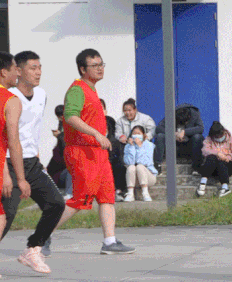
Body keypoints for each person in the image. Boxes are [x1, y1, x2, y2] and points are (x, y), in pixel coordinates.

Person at [50, 49, 135, 254]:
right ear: (82, 69)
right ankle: (42, 235)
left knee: (107, 196)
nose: (100, 69)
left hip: (98, 153)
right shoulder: (77, 90)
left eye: (101, 64)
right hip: (83, 152)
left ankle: (110, 242)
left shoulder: (92, 90)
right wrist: (96, 134)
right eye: (94, 65)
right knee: (80, 199)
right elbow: (70, 116)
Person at [1, 51, 64, 273]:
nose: (38, 72)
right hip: (9, 163)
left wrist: (37, 156)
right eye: (32, 68)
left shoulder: (41, 95)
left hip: (31, 162)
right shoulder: (9, 96)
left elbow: (32, 129)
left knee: (56, 203)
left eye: (39, 67)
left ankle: (33, 249)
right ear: (18, 71)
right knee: (6, 216)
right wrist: (13, 176)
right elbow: (10, 138)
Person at [0, 53, 33, 276]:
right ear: (4, 72)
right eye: (15, 69)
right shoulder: (10, 100)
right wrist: (20, 178)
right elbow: (13, 141)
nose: (18, 73)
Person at [154, 103, 204, 169]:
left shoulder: (194, 114)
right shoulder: (172, 115)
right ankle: (157, 165)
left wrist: (184, 132)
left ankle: (196, 167)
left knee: (197, 137)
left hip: (189, 145)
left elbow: (200, 128)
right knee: (160, 136)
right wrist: (173, 134)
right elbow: (158, 128)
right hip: (174, 146)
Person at [197, 121, 232, 197]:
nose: (219, 138)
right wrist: (217, 154)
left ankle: (225, 187)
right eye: (217, 137)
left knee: (221, 162)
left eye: (220, 136)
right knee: (211, 157)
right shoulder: (209, 140)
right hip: (212, 168)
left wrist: (227, 157)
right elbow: (204, 150)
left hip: (227, 167)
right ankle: (203, 183)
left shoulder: (231, 140)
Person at [122, 125, 157, 201]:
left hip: (148, 177)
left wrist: (140, 147)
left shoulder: (149, 145)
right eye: (134, 133)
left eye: (138, 133)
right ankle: (130, 194)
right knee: (131, 167)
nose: (136, 136)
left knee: (140, 166)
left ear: (143, 135)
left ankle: (145, 193)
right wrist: (131, 147)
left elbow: (144, 162)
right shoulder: (127, 146)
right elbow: (129, 162)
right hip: (134, 178)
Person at [46, 104, 70, 198]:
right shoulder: (59, 150)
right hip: (60, 174)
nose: (61, 118)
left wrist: (60, 136)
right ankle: (68, 194)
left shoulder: (70, 123)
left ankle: (69, 193)